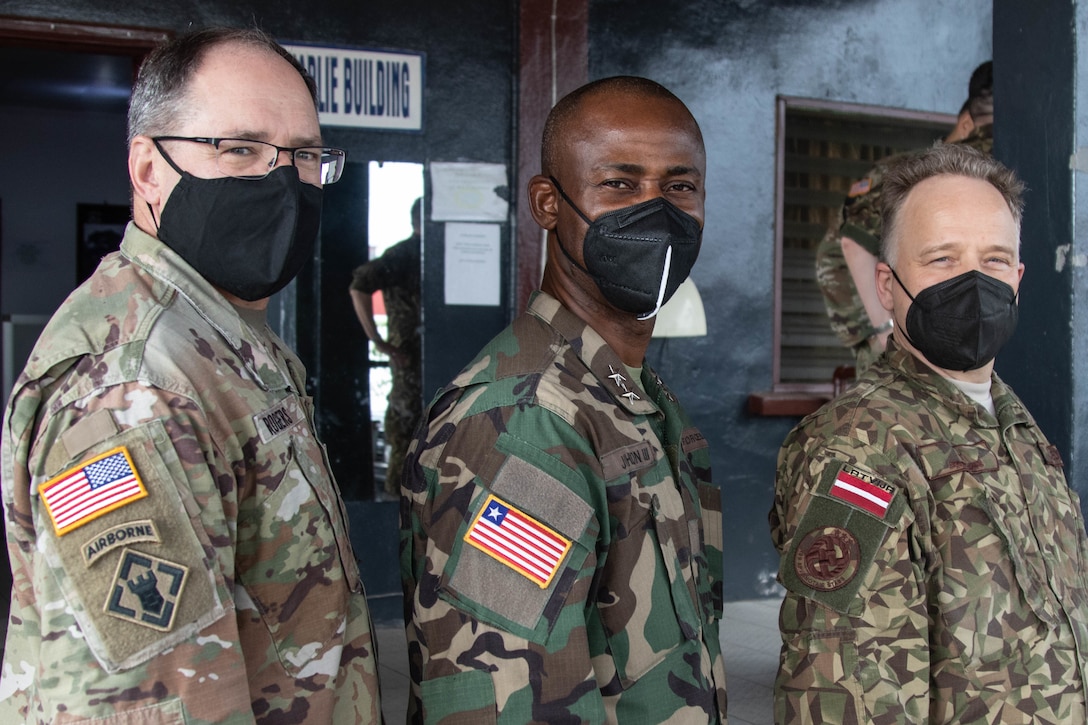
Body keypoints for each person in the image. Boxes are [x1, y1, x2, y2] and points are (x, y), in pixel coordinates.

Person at [0, 28, 382, 723]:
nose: (282, 181)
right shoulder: (136, 387)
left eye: (302, 155)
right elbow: (153, 702)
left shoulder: (226, 341)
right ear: (148, 169)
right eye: (238, 148)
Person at [400, 76, 727, 723]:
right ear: (549, 203)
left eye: (679, 186)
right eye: (620, 183)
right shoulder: (525, 418)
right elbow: (505, 701)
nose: (655, 209)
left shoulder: (636, 396)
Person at [770, 143, 1088, 723]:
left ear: (1018, 279)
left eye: (994, 261)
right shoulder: (860, 447)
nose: (973, 281)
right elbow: (848, 696)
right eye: (942, 259)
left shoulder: (1016, 427)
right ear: (887, 286)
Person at [817, 61, 993, 373]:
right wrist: (885, 332)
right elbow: (853, 244)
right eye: (983, 141)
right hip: (883, 326)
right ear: (966, 125)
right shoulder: (915, 172)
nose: (985, 155)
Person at [350, 198, 423, 497]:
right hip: (409, 362)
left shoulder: (431, 254)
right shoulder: (403, 255)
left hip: (427, 360)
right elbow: (359, 285)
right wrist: (380, 343)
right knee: (405, 434)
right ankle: (396, 510)